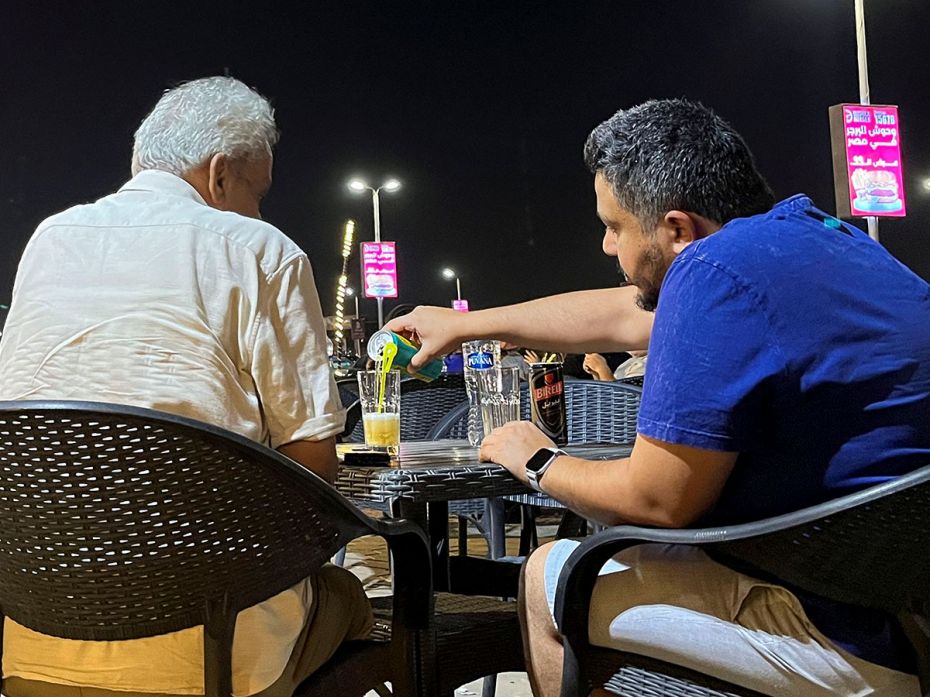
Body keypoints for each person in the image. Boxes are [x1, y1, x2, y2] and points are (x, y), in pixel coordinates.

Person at [386, 99, 930, 696]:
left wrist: (535, 458)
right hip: (903, 604)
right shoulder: (826, 242)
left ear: (677, 230)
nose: (605, 246)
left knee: (545, 576)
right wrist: (469, 324)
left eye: (614, 226)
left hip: (841, 635)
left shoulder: (711, 270)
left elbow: (657, 502)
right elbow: (623, 315)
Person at [0, 77, 372, 697]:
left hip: (36, 641)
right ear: (220, 173)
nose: (259, 210)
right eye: (259, 192)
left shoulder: (49, 239)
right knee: (354, 594)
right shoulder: (260, 251)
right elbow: (312, 469)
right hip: (218, 655)